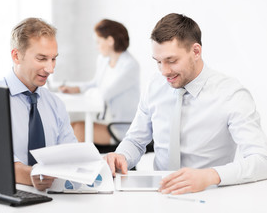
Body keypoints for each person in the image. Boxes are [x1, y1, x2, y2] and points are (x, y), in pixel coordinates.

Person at [105, 13, 267, 195]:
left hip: (210, 195)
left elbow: (261, 160)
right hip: (160, 194)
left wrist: (210, 176)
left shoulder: (231, 94)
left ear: (196, 52)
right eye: (158, 62)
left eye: (171, 61)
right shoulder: (155, 85)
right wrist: (122, 156)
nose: (164, 71)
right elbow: (135, 141)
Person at [0, 18, 77, 191]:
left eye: (53, 59)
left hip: (48, 200)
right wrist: (31, 175)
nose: (50, 69)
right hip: (1, 199)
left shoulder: (55, 104)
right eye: (42, 58)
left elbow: (71, 155)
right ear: (16, 56)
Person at [60, 19, 140, 145]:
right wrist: (76, 89)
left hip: (121, 128)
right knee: (70, 127)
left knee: (79, 130)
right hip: (105, 121)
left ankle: (79, 164)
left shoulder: (130, 66)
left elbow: (105, 93)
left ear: (110, 41)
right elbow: (95, 84)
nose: (96, 46)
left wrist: (90, 92)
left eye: (98, 42)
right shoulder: (103, 60)